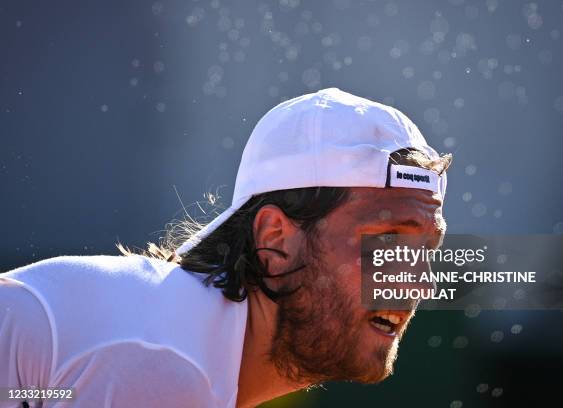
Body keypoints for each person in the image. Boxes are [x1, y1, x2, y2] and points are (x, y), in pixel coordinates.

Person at [0, 88, 452, 407]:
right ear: (274, 239)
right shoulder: (166, 361)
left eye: (426, 247)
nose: (422, 282)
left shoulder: (181, 349)